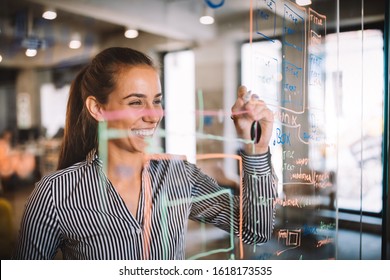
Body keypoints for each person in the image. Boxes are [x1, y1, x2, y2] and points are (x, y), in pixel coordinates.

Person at [13, 47, 277, 260]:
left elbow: (256, 230)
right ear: (97, 108)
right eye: (136, 102)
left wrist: (256, 147)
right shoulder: (55, 193)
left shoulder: (179, 176)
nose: (153, 115)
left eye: (157, 101)